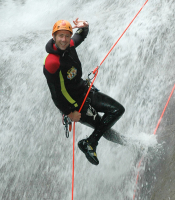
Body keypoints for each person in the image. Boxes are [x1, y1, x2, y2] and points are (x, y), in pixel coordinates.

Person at [43, 18, 126, 165]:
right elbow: (56, 94)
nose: (64, 39)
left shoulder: (70, 45)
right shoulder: (52, 62)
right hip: (74, 105)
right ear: (54, 36)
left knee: (117, 110)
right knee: (105, 130)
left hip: (85, 92)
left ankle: (90, 142)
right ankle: (134, 146)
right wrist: (69, 112)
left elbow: (80, 35)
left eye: (67, 36)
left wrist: (85, 26)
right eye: (60, 36)